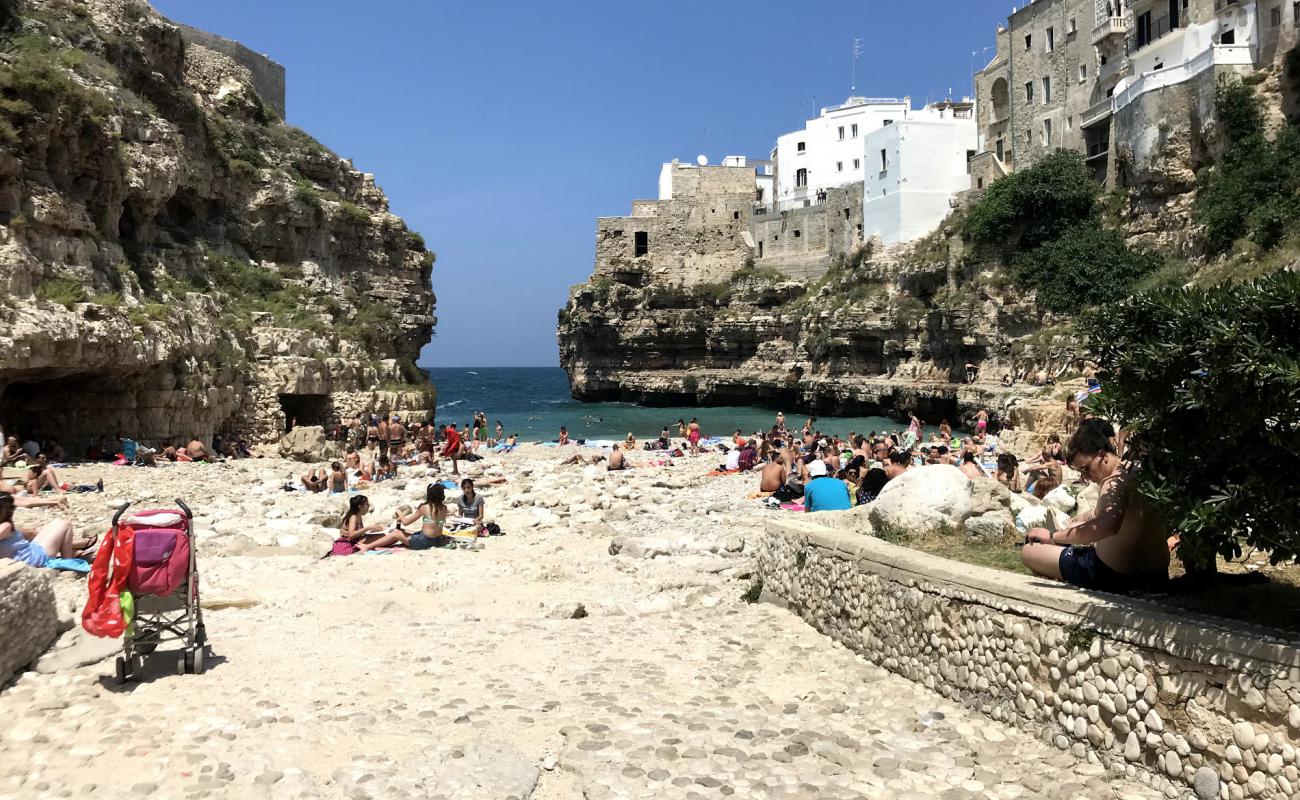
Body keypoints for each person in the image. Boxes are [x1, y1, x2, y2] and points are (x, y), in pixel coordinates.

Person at [1021, 423, 1169, 593]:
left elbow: (1107, 526)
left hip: (1113, 576)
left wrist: (1053, 537)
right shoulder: (1136, 470)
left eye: (1085, 469)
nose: (1086, 477)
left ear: (1101, 455)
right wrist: (1078, 519)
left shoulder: (1113, 483)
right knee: (1073, 527)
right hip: (1157, 575)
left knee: (1029, 551)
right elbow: (1106, 513)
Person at [0, 495, 84, 566]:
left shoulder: (5, 526)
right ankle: (68, 562)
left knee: (57, 522)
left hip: (29, 552)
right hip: (34, 559)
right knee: (65, 524)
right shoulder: (6, 526)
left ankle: (73, 550)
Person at [387, 483, 451, 551]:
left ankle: (374, 545)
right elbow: (437, 524)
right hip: (437, 540)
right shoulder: (444, 508)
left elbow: (406, 522)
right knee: (402, 531)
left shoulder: (424, 507)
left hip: (424, 542)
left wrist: (398, 511)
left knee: (396, 533)